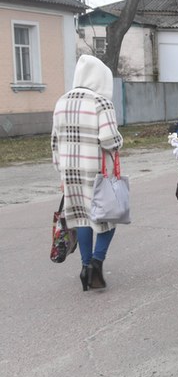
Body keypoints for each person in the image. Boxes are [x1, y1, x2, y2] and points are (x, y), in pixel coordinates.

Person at [51, 55, 125, 291]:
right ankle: (96, 262)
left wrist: (61, 174)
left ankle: (84, 268)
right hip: (96, 171)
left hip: (70, 172)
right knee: (109, 217)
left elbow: (54, 141)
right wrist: (119, 140)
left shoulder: (61, 101)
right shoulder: (101, 102)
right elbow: (110, 140)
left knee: (81, 218)